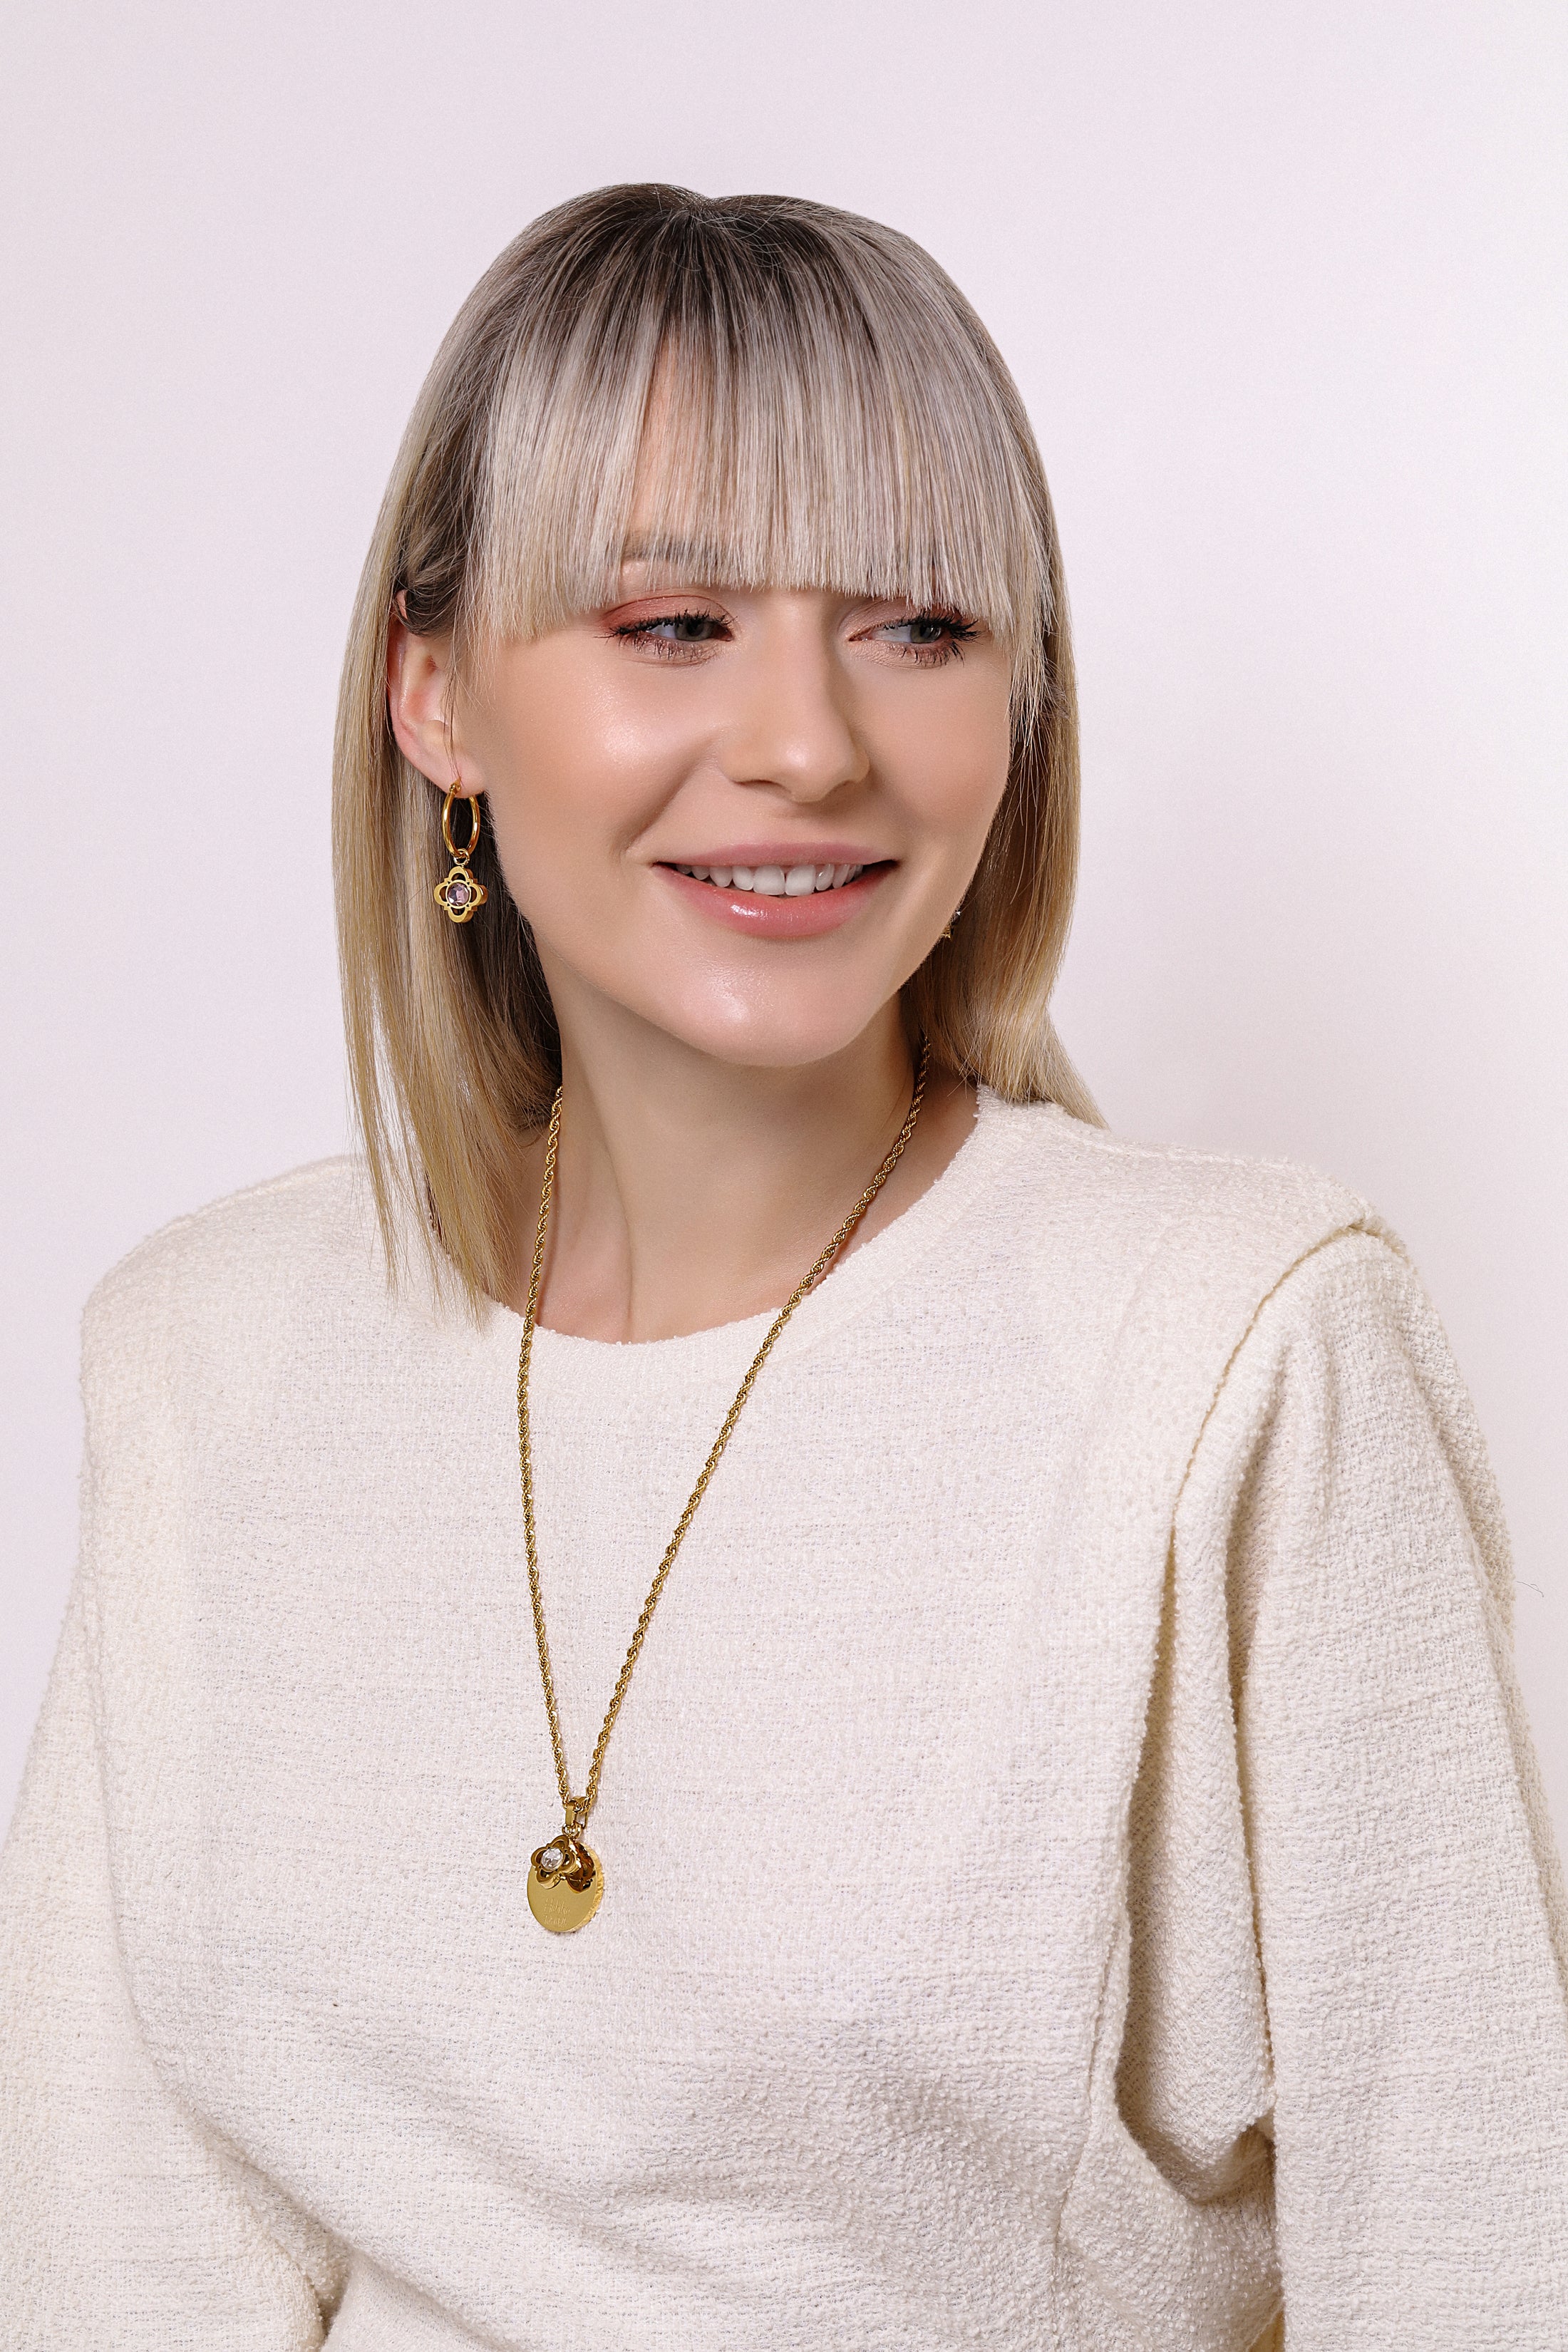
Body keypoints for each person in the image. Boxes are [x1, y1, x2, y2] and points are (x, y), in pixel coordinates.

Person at [1, 182, 1564, 2352]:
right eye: (673, 624)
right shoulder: (206, 1354)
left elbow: (1474, 2253)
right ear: (434, 695)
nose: (810, 744)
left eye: (919, 625)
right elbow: (111, 2258)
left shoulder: (1244, 1346)